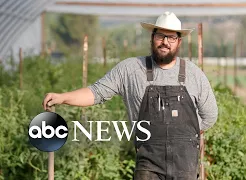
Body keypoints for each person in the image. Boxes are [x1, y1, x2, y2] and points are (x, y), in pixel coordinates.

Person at [42, 11, 218, 180]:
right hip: (149, 165)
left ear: (179, 42)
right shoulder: (130, 69)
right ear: (152, 37)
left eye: (171, 37)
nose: (165, 42)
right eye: (160, 36)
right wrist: (62, 97)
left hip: (185, 166)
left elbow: (210, 116)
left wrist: (183, 136)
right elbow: (96, 92)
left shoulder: (194, 75)